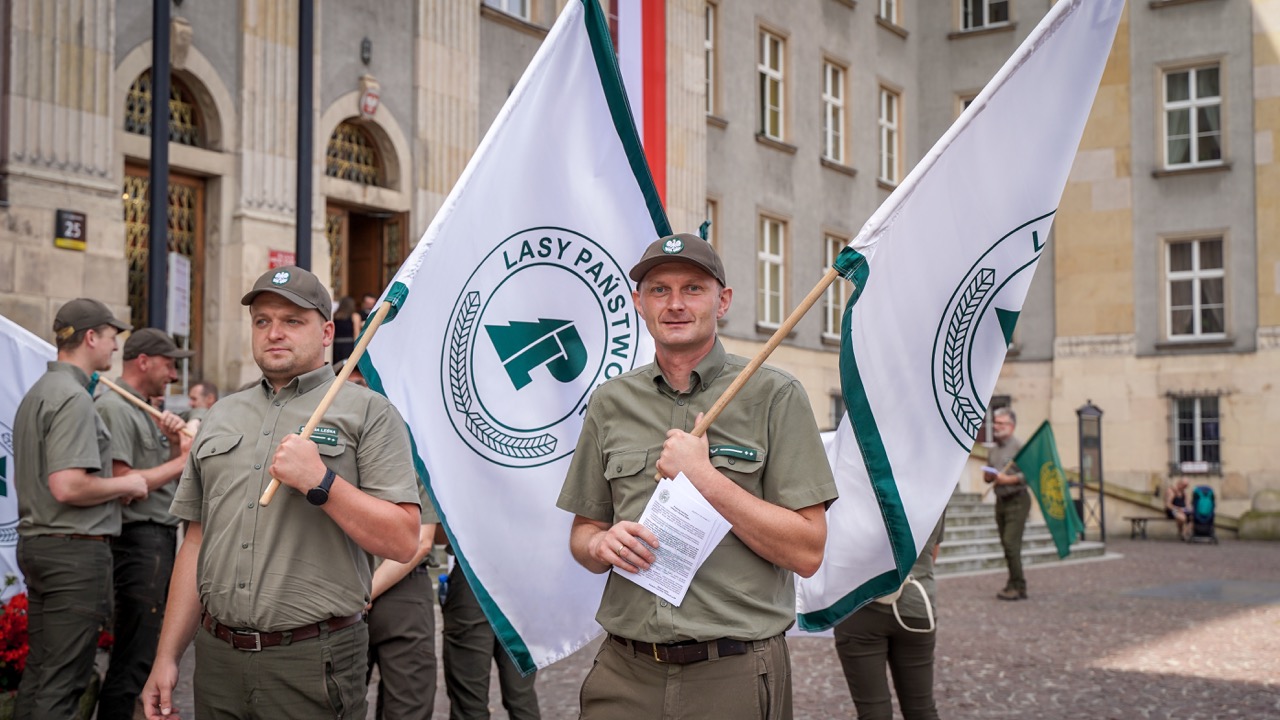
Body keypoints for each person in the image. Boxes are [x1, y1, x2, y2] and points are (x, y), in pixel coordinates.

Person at [557, 233, 838, 719]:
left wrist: (704, 478)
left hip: (732, 673)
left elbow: (807, 551)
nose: (675, 304)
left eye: (693, 288)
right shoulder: (610, 402)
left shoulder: (775, 395)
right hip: (625, 672)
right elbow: (583, 533)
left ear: (722, 300)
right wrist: (599, 547)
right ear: (638, 303)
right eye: (659, 290)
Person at [140, 265, 421, 720]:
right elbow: (196, 542)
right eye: (263, 321)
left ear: (327, 331)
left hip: (313, 661)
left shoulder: (370, 412)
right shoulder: (221, 415)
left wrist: (322, 483)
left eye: (293, 321)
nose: (275, 333)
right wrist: (167, 656)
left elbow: (403, 540)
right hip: (217, 660)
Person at [13, 298, 149, 719]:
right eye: (112, 338)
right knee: (64, 682)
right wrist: (127, 482)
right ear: (91, 337)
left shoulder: (40, 391)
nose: (114, 348)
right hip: (72, 551)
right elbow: (67, 485)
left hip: (43, 544)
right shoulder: (71, 396)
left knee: (41, 675)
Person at [95, 329, 195, 720]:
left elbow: (153, 476)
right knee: (134, 657)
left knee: (145, 653)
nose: (173, 374)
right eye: (169, 364)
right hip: (137, 540)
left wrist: (172, 445)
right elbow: (125, 482)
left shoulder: (140, 406)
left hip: (154, 536)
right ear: (144, 361)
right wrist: (182, 460)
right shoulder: (117, 407)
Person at [342, 363, 443, 720]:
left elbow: (421, 542)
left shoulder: (408, 451)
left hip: (398, 587)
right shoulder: (326, 453)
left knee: (409, 704)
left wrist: (365, 591)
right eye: (348, 385)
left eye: (363, 385)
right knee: (338, 703)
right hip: (340, 587)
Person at [834, 515, 946, 720]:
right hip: (916, 602)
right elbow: (932, 553)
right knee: (922, 709)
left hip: (861, 603)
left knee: (874, 712)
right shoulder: (936, 483)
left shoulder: (856, 483)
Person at [441, 541, 541, 720]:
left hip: (473, 572)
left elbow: (438, 533)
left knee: (470, 701)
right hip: (521, 573)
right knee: (521, 696)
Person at [985, 406, 1028, 601]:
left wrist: (1008, 480)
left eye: (1001, 423)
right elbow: (990, 476)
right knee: (1006, 544)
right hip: (1000, 500)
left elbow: (1028, 474)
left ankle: (1019, 585)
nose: (996, 426)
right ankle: (1014, 582)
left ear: (1011, 426)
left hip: (1017, 500)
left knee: (1011, 543)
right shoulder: (993, 450)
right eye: (995, 422)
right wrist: (988, 476)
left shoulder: (1019, 447)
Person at [332, 296, 363, 365]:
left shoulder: (335, 316)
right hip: (349, 346)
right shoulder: (355, 316)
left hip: (336, 345)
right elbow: (356, 333)